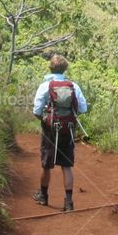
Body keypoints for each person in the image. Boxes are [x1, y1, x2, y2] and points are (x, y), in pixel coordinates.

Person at [31, 54, 88, 212]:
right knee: (66, 165)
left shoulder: (45, 86)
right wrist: (68, 118)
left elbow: (36, 110)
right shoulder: (73, 86)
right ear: (65, 69)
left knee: (46, 164)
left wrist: (45, 120)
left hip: (50, 129)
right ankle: (68, 202)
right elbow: (83, 108)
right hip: (68, 129)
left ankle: (43, 196)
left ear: (50, 67)